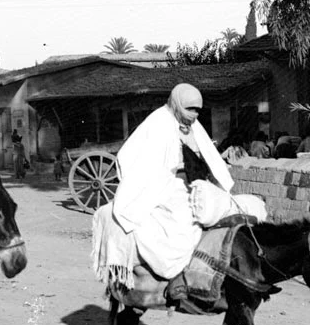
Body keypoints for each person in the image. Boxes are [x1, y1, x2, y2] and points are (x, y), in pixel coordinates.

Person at [92, 83, 266, 296]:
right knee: (183, 223)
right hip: (162, 187)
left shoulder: (192, 126)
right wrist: (169, 178)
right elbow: (134, 159)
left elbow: (207, 155)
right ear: (176, 104)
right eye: (190, 109)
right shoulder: (157, 123)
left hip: (192, 184)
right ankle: (176, 277)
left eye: (198, 110)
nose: (194, 115)